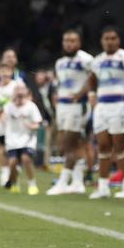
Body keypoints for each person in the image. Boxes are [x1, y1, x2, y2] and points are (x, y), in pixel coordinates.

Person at [77, 26, 124, 199]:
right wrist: (91, 94)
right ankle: (103, 187)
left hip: (119, 105)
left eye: (113, 38)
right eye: (106, 38)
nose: (109, 41)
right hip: (101, 107)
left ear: (118, 40)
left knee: (120, 147)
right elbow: (91, 79)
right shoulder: (97, 60)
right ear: (101, 41)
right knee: (103, 146)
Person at [47, 30, 94, 195]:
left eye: (73, 40)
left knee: (69, 143)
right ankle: (78, 181)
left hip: (77, 106)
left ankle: (63, 181)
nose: (69, 44)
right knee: (70, 144)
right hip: (62, 106)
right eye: (66, 40)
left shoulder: (86, 59)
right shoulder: (60, 62)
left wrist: (82, 93)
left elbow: (94, 78)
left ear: (79, 43)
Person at [3, 84, 42, 195]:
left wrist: (31, 126)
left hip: (27, 139)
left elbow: (38, 124)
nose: (19, 94)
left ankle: (32, 184)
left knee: (25, 159)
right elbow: (2, 118)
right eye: (17, 91)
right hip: (12, 140)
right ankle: (15, 183)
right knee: (12, 162)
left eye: (21, 91)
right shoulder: (8, 106)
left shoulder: (31, 106)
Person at [0, 63, 18, 187]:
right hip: (0, 123)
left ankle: (13, 169)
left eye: (7, 71)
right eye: (2, 71)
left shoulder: (16, 86)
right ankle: (4, 172)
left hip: (15, 122)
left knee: (14, 148)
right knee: (2, 148)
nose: (5, 74)